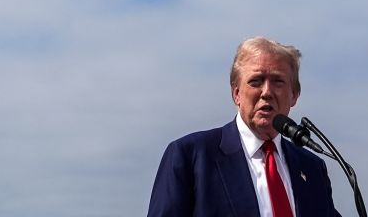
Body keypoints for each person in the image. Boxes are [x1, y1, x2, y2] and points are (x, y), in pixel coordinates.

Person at [146, 36, 342, 217]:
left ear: (294, 95)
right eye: (256, 81)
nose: (266, 92)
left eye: (278, 81)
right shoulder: (191, 156)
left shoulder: (312, 167)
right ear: (236, 94)